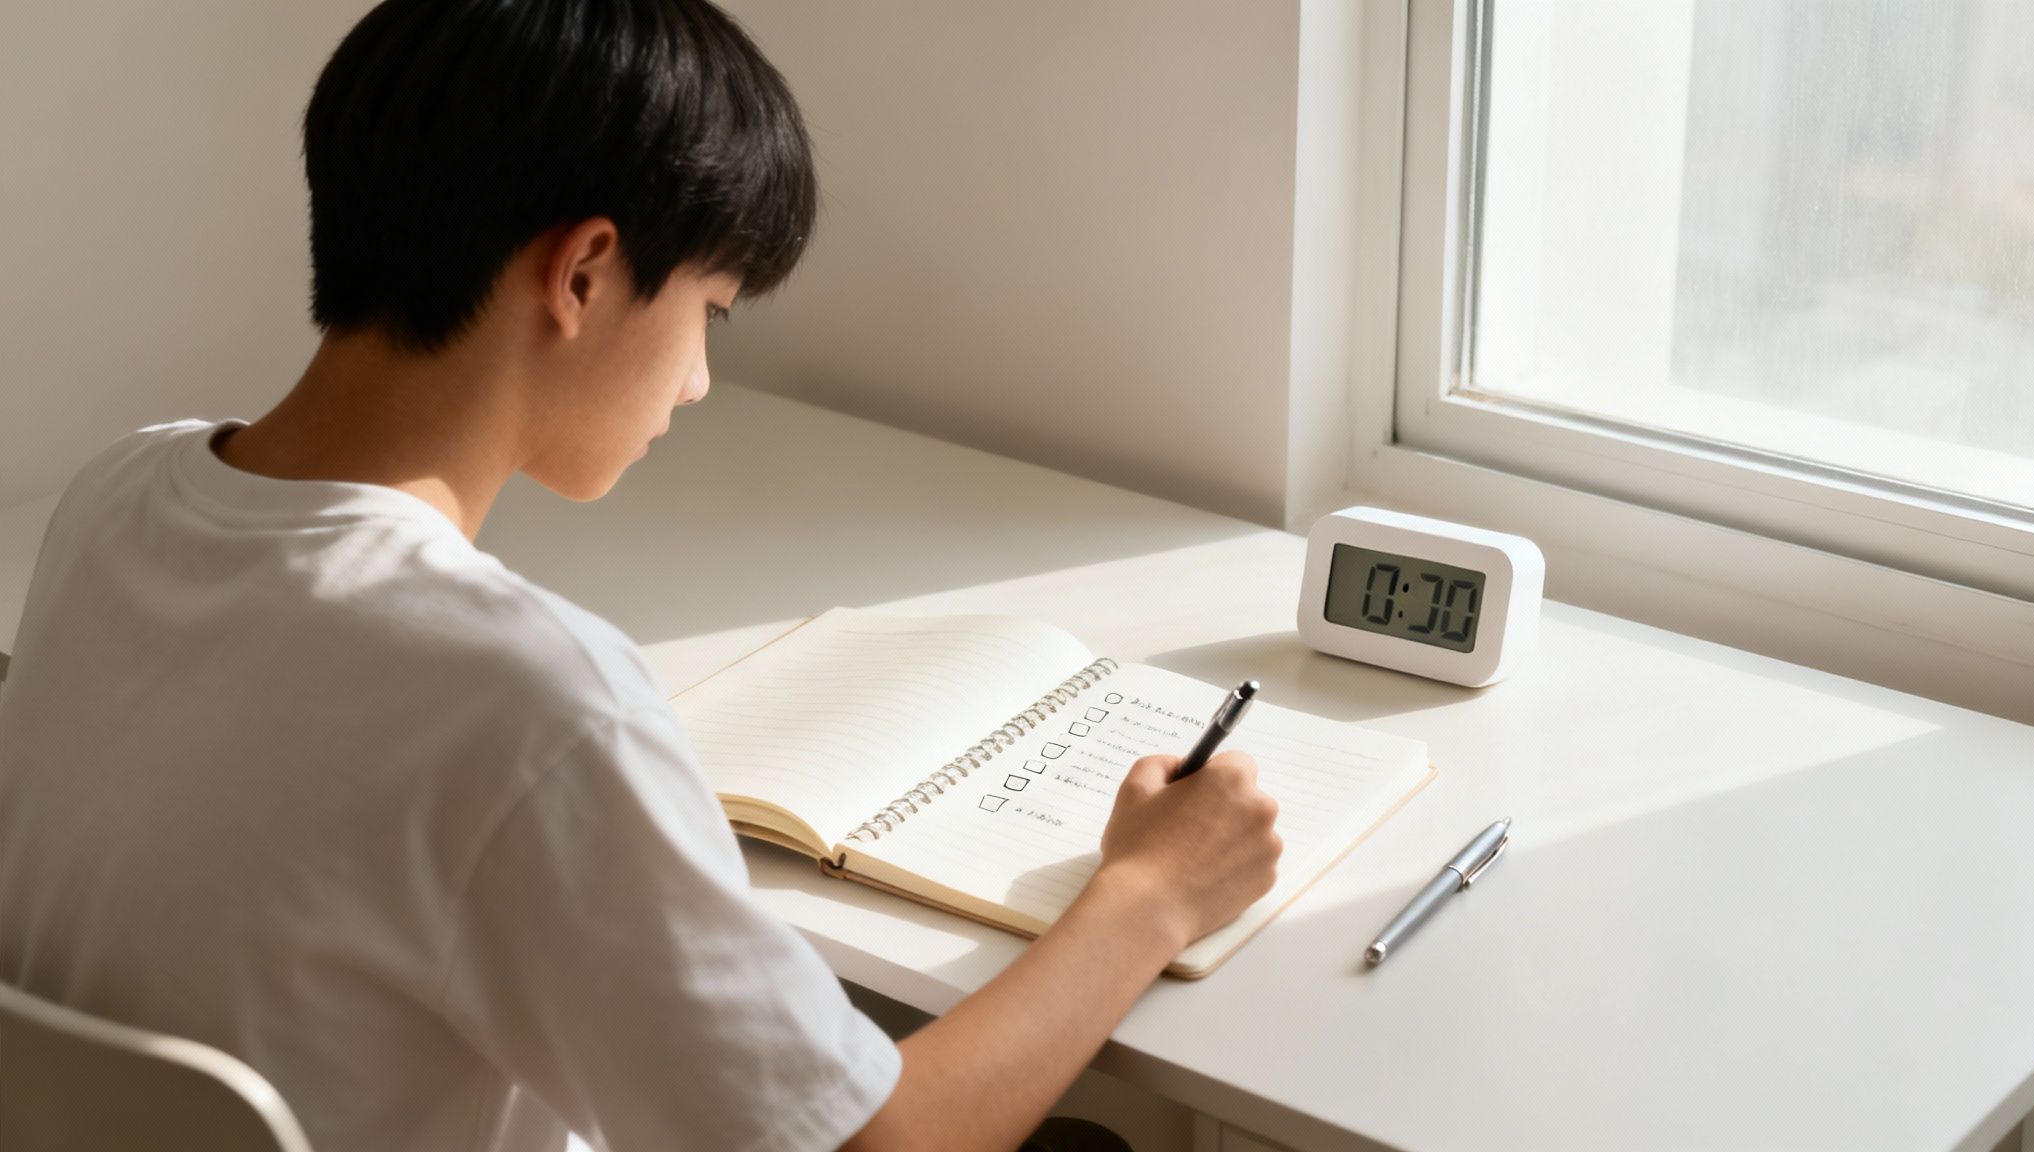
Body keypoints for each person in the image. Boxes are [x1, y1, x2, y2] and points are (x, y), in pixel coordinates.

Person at [0, 2, 1283, 1151]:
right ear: (583, 273)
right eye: (709, 314)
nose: (696, 382)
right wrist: (1147, 897)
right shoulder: (524, 699)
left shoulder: (118, 495)